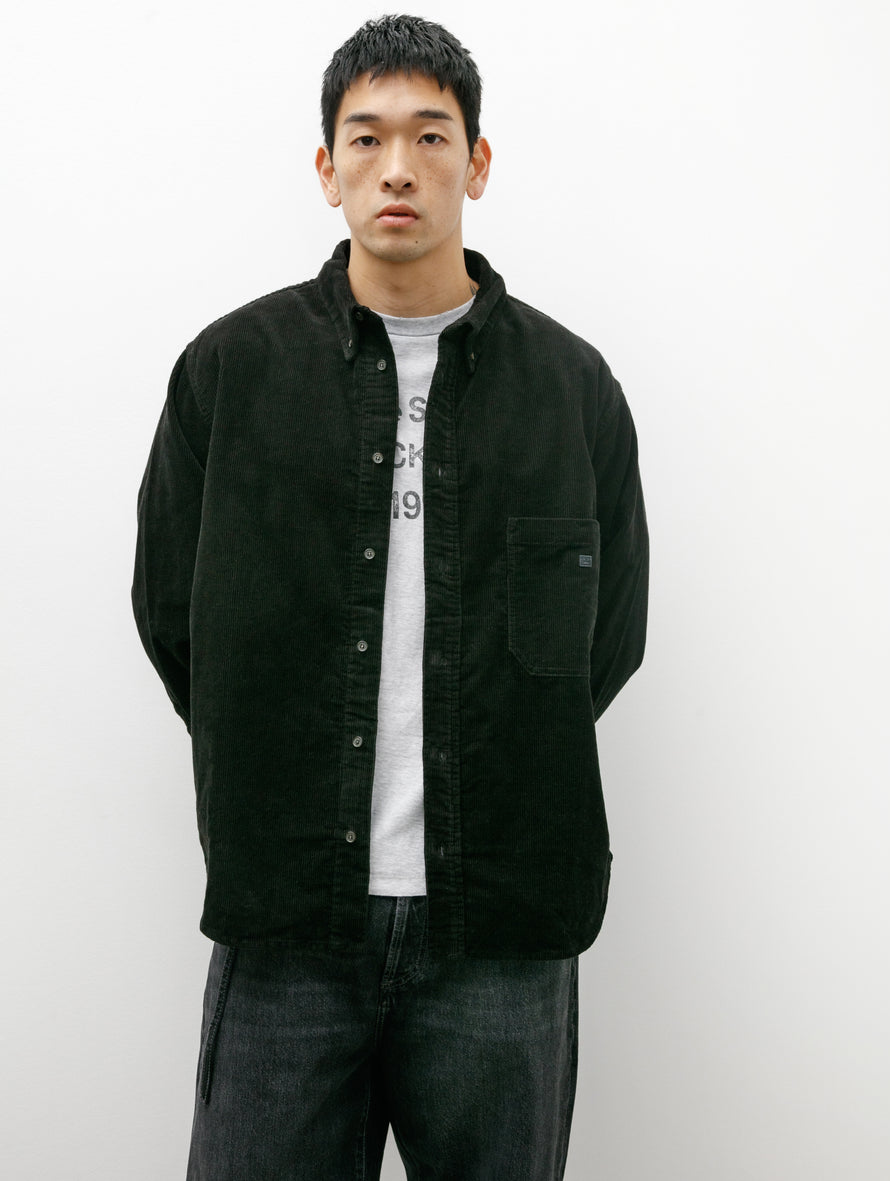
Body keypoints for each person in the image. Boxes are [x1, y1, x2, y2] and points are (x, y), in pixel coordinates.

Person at [132, 14, 649, 1180]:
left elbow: (608, 638)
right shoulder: (231, 372)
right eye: (366, 139)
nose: (398, 168)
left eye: (431, 135)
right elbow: (175, 615)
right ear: (327, 169)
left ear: (477, 161)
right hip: (287, 924)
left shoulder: (572, 390)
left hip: (502, 929)